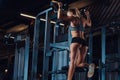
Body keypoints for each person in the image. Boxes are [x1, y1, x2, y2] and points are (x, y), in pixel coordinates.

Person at [57, 2, 95, 80]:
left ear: (72, 13)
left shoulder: (73, 18)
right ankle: (89, 66)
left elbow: (59, 17)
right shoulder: (83, 19)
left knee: (72, 63)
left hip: (76, 40)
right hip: (84, 42)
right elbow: (90, 24)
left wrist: (60, 8)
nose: (68, 15)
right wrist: (88, 15)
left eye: (68, 13)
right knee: (79, 63)